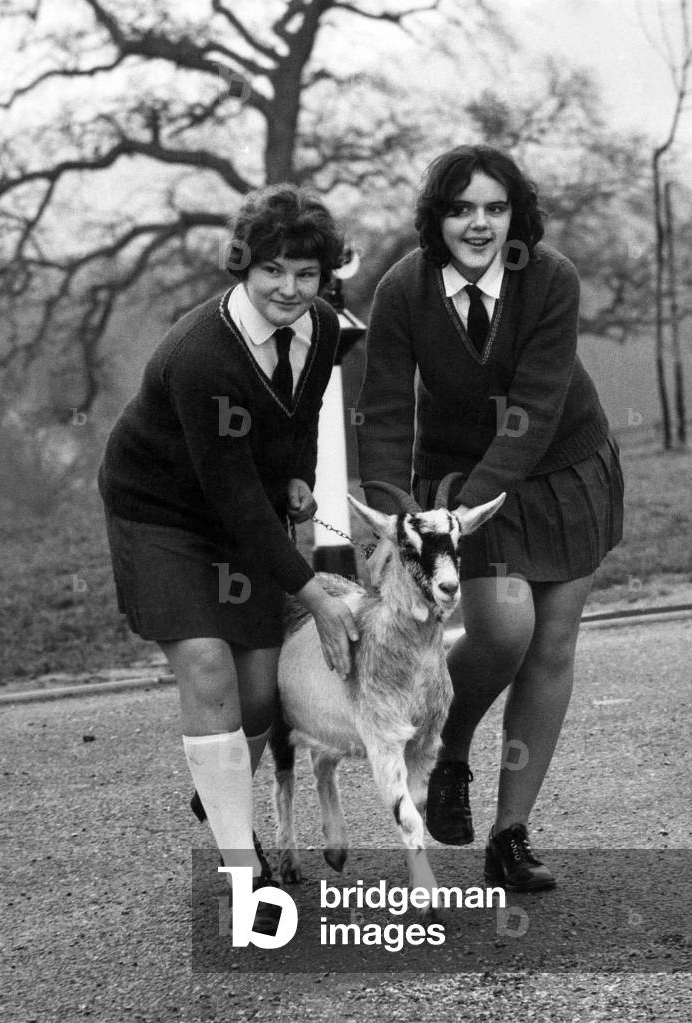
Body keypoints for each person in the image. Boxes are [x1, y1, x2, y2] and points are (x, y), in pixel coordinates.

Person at [356, 144, 623, 892]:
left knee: (551, 644)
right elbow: (380, 412)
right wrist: (394, 511)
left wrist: (473, 502)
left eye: (493, 208)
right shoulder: (403, 290)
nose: (477, 224)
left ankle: (509, 834)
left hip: (560, 467)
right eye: (460, 208)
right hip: (453, 491)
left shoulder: (550, 279)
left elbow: (534, 410)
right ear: (436, 216)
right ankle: (448, 743)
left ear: (515, 215)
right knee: (504, 629)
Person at [98, 184, 358, 932]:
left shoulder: (324, 331)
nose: (289, 288)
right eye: (273, 269)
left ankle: (219, 789)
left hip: (243, 506)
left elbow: (299, 414)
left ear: (324, 278)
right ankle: (248, 882)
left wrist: (300, 473)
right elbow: (233, 496)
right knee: (209, 666)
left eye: (306, 274)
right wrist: (311, 590)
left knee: (259, 690)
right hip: (162, 512)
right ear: (243, 267)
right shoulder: (201, 355)